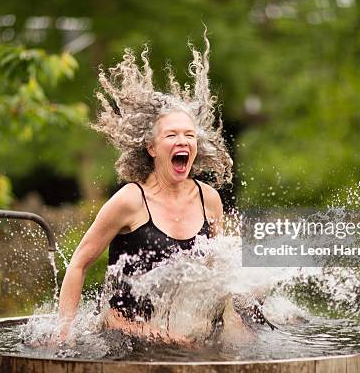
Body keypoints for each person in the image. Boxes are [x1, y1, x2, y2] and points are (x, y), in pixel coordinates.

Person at [57, 32, 235, 344]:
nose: (182, 141)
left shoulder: (209, 200)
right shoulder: (130, 200)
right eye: (172, 135)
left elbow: (222, 277)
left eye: (189, 135)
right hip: (123, 336)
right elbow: (79, 262)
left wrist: (238, 329)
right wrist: (63, 334)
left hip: (182, 335)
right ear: (152, 148)